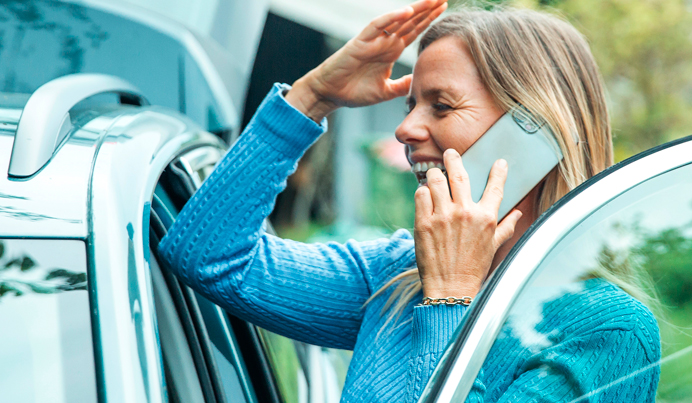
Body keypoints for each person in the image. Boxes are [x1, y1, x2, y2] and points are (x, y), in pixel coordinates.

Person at [158, 1, 660, 401]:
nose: (405, 129)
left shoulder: (606, 333)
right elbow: (210, 256)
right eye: (411, 104)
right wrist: (311, 97)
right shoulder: (398, 276)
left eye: (440, 105)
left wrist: (449, 301)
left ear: (534, 132)